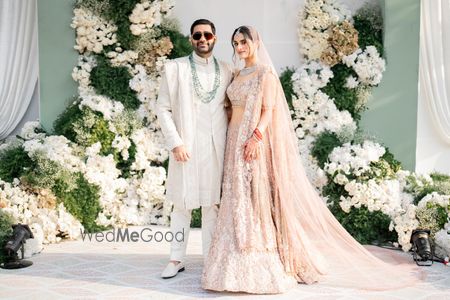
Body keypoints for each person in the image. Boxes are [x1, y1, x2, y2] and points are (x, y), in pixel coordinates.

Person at [201, 26, 421, 294]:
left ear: (256, 42)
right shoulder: (237, 74)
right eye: (235, 43)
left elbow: (269, 112)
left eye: (244, 42)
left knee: (254, 197)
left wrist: (256, 137)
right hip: (233, 141)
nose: (239, 47)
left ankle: (257, 252)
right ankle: (231, 252)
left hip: (252, 142)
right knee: (236, 197)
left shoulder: (265, 75)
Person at [156, 19, 233, 279]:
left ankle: (210, 259)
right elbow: (163, 108)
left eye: (207, 34)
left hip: (215, 147)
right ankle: (176, 258)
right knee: (181, 204)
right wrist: (175, 142)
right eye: (197, 35)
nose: (203, 39)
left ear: (215, 38)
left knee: (212, 205)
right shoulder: (174, 68)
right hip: (185, 146)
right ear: (191, 39)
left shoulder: (227, 69)